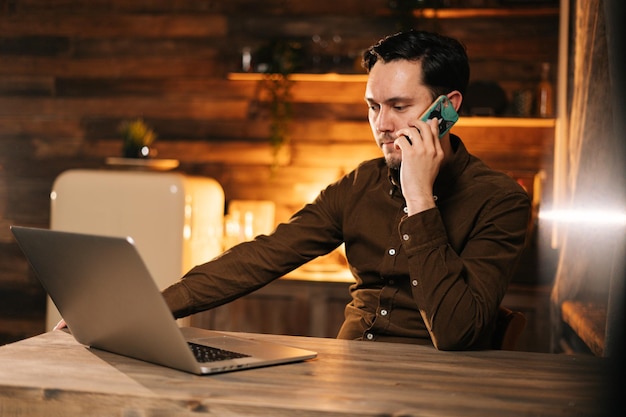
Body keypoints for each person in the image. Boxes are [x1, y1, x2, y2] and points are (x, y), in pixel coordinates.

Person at [161, 30, 531, 350]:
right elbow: (267, 253)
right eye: (373, 107)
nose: (382, 125)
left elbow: (456, 332)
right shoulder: (358, 185)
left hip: (436, 385)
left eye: (399, 106)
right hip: (349, 371)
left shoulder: (500, 200)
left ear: (446, 110)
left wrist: (420, 199)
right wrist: (155, 306)